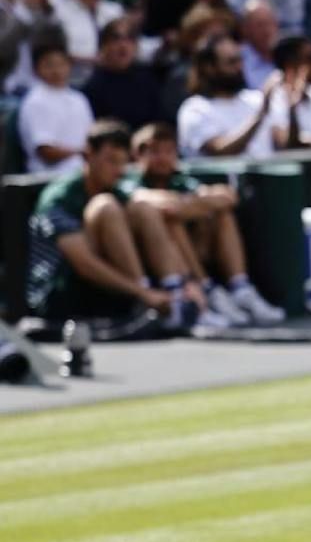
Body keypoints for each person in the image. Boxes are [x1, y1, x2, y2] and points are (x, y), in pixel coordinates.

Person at [24, 120, 202, 331]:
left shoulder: (118, 187)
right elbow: (85, 264)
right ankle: (145, 302)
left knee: (143, 208)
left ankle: (177, 296)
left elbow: (156, 204)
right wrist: (143, 293)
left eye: (123, 163)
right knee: (106, 206)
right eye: (111, 161)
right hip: (58, 295)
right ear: (88, 155)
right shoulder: (58, 199)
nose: (119, 170)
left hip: (109, 293)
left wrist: (189, 281)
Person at [122, 121, 287, 325]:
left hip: (196, 251)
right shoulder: (129, 181)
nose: (163, 158)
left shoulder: (180, 179)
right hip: (153, 260)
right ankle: (204, 290)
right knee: (172, 220)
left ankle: (240, 288)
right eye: (155, 152)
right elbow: (162, 206)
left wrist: (187, 205)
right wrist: (193, 205)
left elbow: (227, 197)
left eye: (169, 151)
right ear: (138, 155)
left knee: (222, 213)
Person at [176, 34, 280, 158]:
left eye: (240, 60)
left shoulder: (256, 99)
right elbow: (221, 151)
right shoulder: (194, 109)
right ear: (209, 68)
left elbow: (282, 140)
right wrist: (261, 114)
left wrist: (292, 106)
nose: (239, 67)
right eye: (231, 62)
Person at [19, 34, 95, 175]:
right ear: (36, 69)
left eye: (61, 64)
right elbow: (45, 151)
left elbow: (92, 139)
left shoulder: (79, 99)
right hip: (47, 178)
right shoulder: (35, 101)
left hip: (84, 173)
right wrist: (81, 152)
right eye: (49, 65)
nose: (57, 70)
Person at [81, 17, 163, 129]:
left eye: (129, 39)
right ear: (103, 46)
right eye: (116, 39)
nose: (123, 46)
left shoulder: (147, 80)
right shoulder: (92, 88)